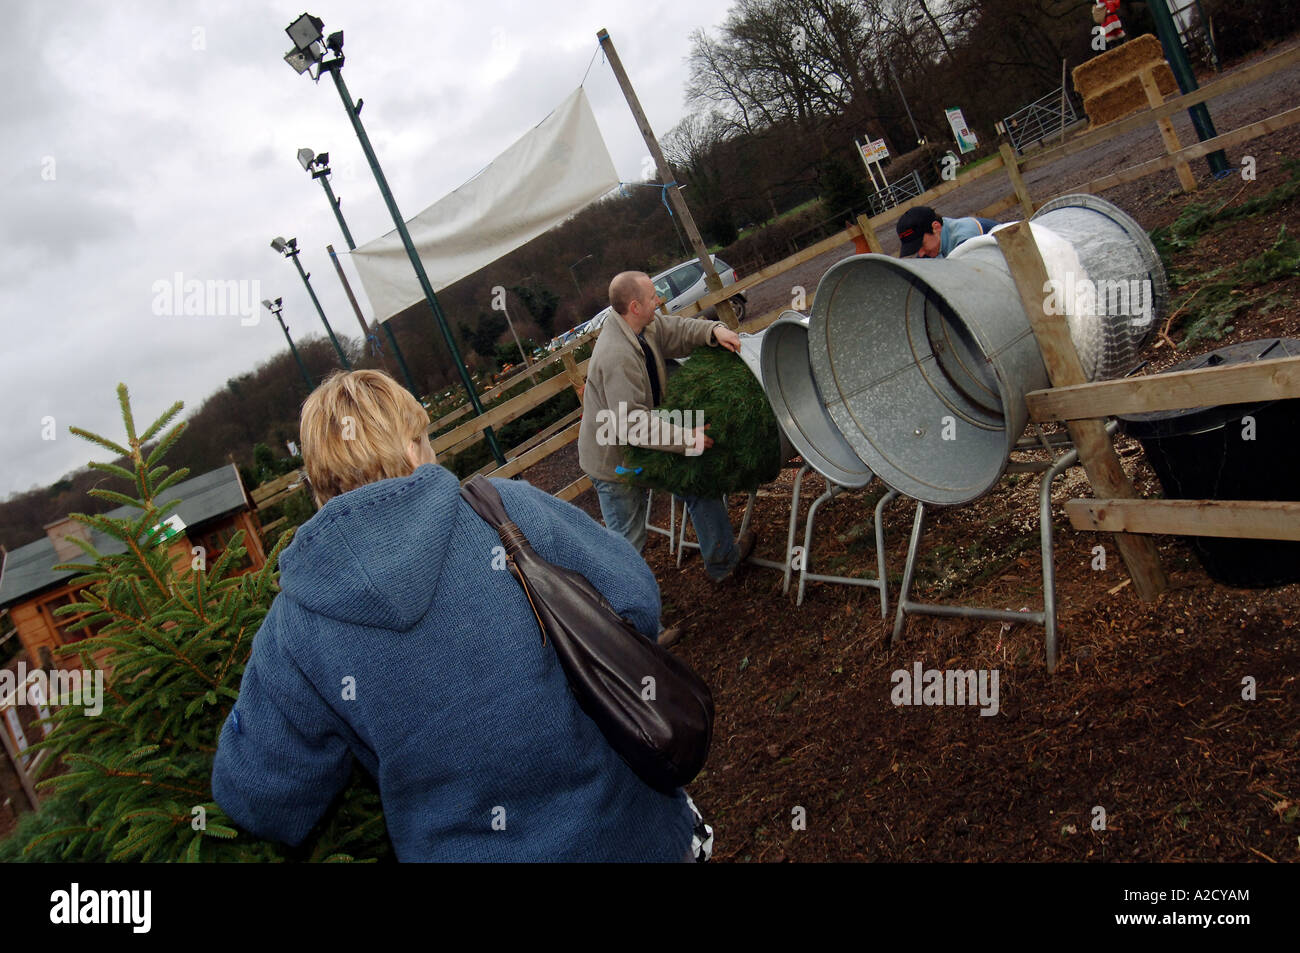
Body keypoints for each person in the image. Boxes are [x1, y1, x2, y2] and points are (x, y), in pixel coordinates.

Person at [211, 369, 698, 862]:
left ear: (318, 484)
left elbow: (260, 797)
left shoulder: (295, 624)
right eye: (425, 437)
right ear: (411, 449)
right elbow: (636, 599)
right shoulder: (507, 511)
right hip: (632, 837)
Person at [577, 271, 757, 610]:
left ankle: (723, 562)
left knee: (697, 481)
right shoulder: (616, 355)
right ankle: (638, 624)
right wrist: (686, 438)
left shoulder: (644, 325)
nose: (658, 299)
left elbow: (677, 330)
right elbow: (631, 424)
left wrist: (713, 330)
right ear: (634, 306)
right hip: (616, 458)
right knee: (628, 543)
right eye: (652, 297)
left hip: (646, 436)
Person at [897, 206, 1002, 258]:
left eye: (922, 245)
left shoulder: (965, 236)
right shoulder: (930, 250)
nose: (920, 253)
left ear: (936, 227)